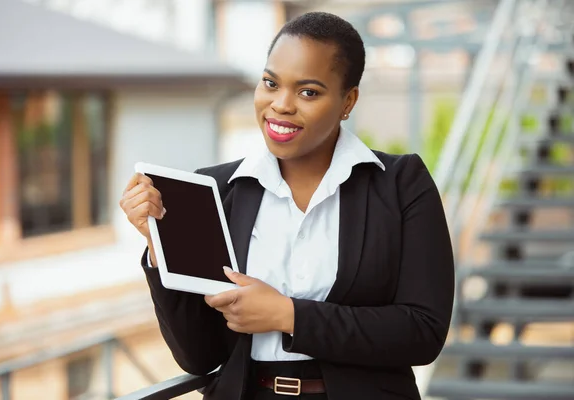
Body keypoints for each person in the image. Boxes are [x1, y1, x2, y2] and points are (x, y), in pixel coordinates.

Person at [120, 11, 454, 400]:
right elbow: (198, 357)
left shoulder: (400, 184)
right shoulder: (217, 190)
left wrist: (287, 314)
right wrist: (162, 246)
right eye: (270, 83)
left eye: (308, 91)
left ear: (348, 101)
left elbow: (423, 331)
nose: (280, 105)